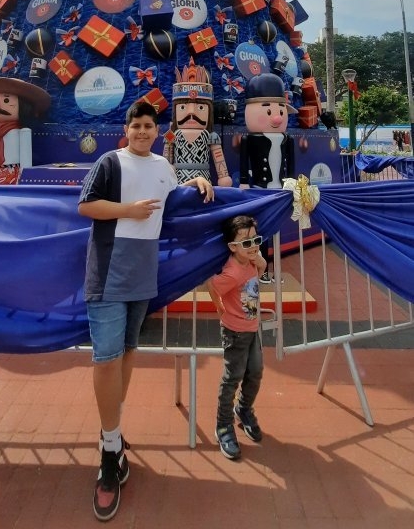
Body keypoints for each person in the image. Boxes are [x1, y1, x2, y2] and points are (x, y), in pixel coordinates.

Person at [78, 100, 214, 522]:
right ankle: (109, 447)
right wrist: (126, 211)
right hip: (108, 266)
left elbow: (172, 200)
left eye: (148, 126)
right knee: (106, 357)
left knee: (130, 350)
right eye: (135, 125)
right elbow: (86, 205)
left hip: (143, 269)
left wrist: (197, 182)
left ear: (158, 131)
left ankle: (112, 437)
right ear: (127, 128)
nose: (141, 132)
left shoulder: (163, 166)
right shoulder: (109, 161)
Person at [207, 214, 267, 461]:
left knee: (255, 372)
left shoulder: (252, 262)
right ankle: (223, 425)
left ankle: (243, 409)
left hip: (253, 328)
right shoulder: (232, 273)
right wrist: (219, 307)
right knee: (232, 377)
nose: (252, 246)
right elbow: (212, 285)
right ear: (232, 247)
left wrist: (257, 256)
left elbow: (261, 266)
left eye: (256, 240)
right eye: (246, 243)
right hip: (235, 332)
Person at [239, 73, 295, 283]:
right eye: (269, 110)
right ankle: (259, 272)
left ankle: (270, 270)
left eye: (281, 110)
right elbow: (244, 163)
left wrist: (292, 183)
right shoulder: (249, 139)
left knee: (276, 232)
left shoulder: (287, 139)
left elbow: (291, 165)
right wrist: (244, 181)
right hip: (258, 191)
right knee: (259, 233)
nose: (277, 117)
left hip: (280, 190)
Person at [163, 57, 232, 187]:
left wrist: (224, 176)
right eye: (183, 107)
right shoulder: (171, 134)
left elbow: (218, 158)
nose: (191, 113)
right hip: (178, 180)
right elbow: (167, 157)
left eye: (200, 107)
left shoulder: (211, 136)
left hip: (204, 180)